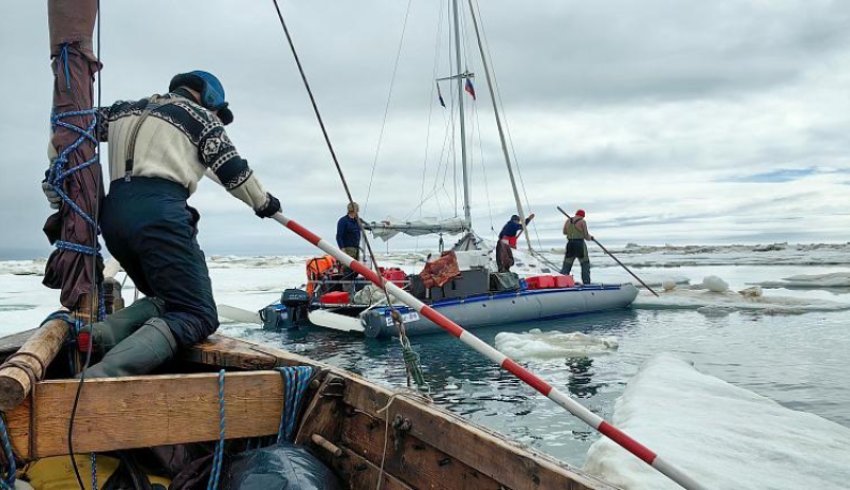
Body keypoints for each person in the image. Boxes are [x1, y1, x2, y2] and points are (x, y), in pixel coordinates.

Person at [46, 70, 281, 377]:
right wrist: (264, 203)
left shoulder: (122, 111)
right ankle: (100, 376)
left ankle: (103, 335)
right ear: (209, 98)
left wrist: (54, 176)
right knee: (197, 314)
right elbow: (234, 172)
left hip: (114, 218)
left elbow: (67, 131)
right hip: (159, 214)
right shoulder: (201, 118)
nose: (216, 116)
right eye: (218, 111)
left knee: (167, 300)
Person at [561, 209, 593, 284]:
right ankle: (586, 283)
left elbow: (564, 232)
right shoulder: (582, 222)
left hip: (570, 244)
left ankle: (561, 282)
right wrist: (591, 238)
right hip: (579, 244)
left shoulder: (568, 221)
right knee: (585, 264)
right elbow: (586, 236)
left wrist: (572, 230)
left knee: (567, 264)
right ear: (583, 216)